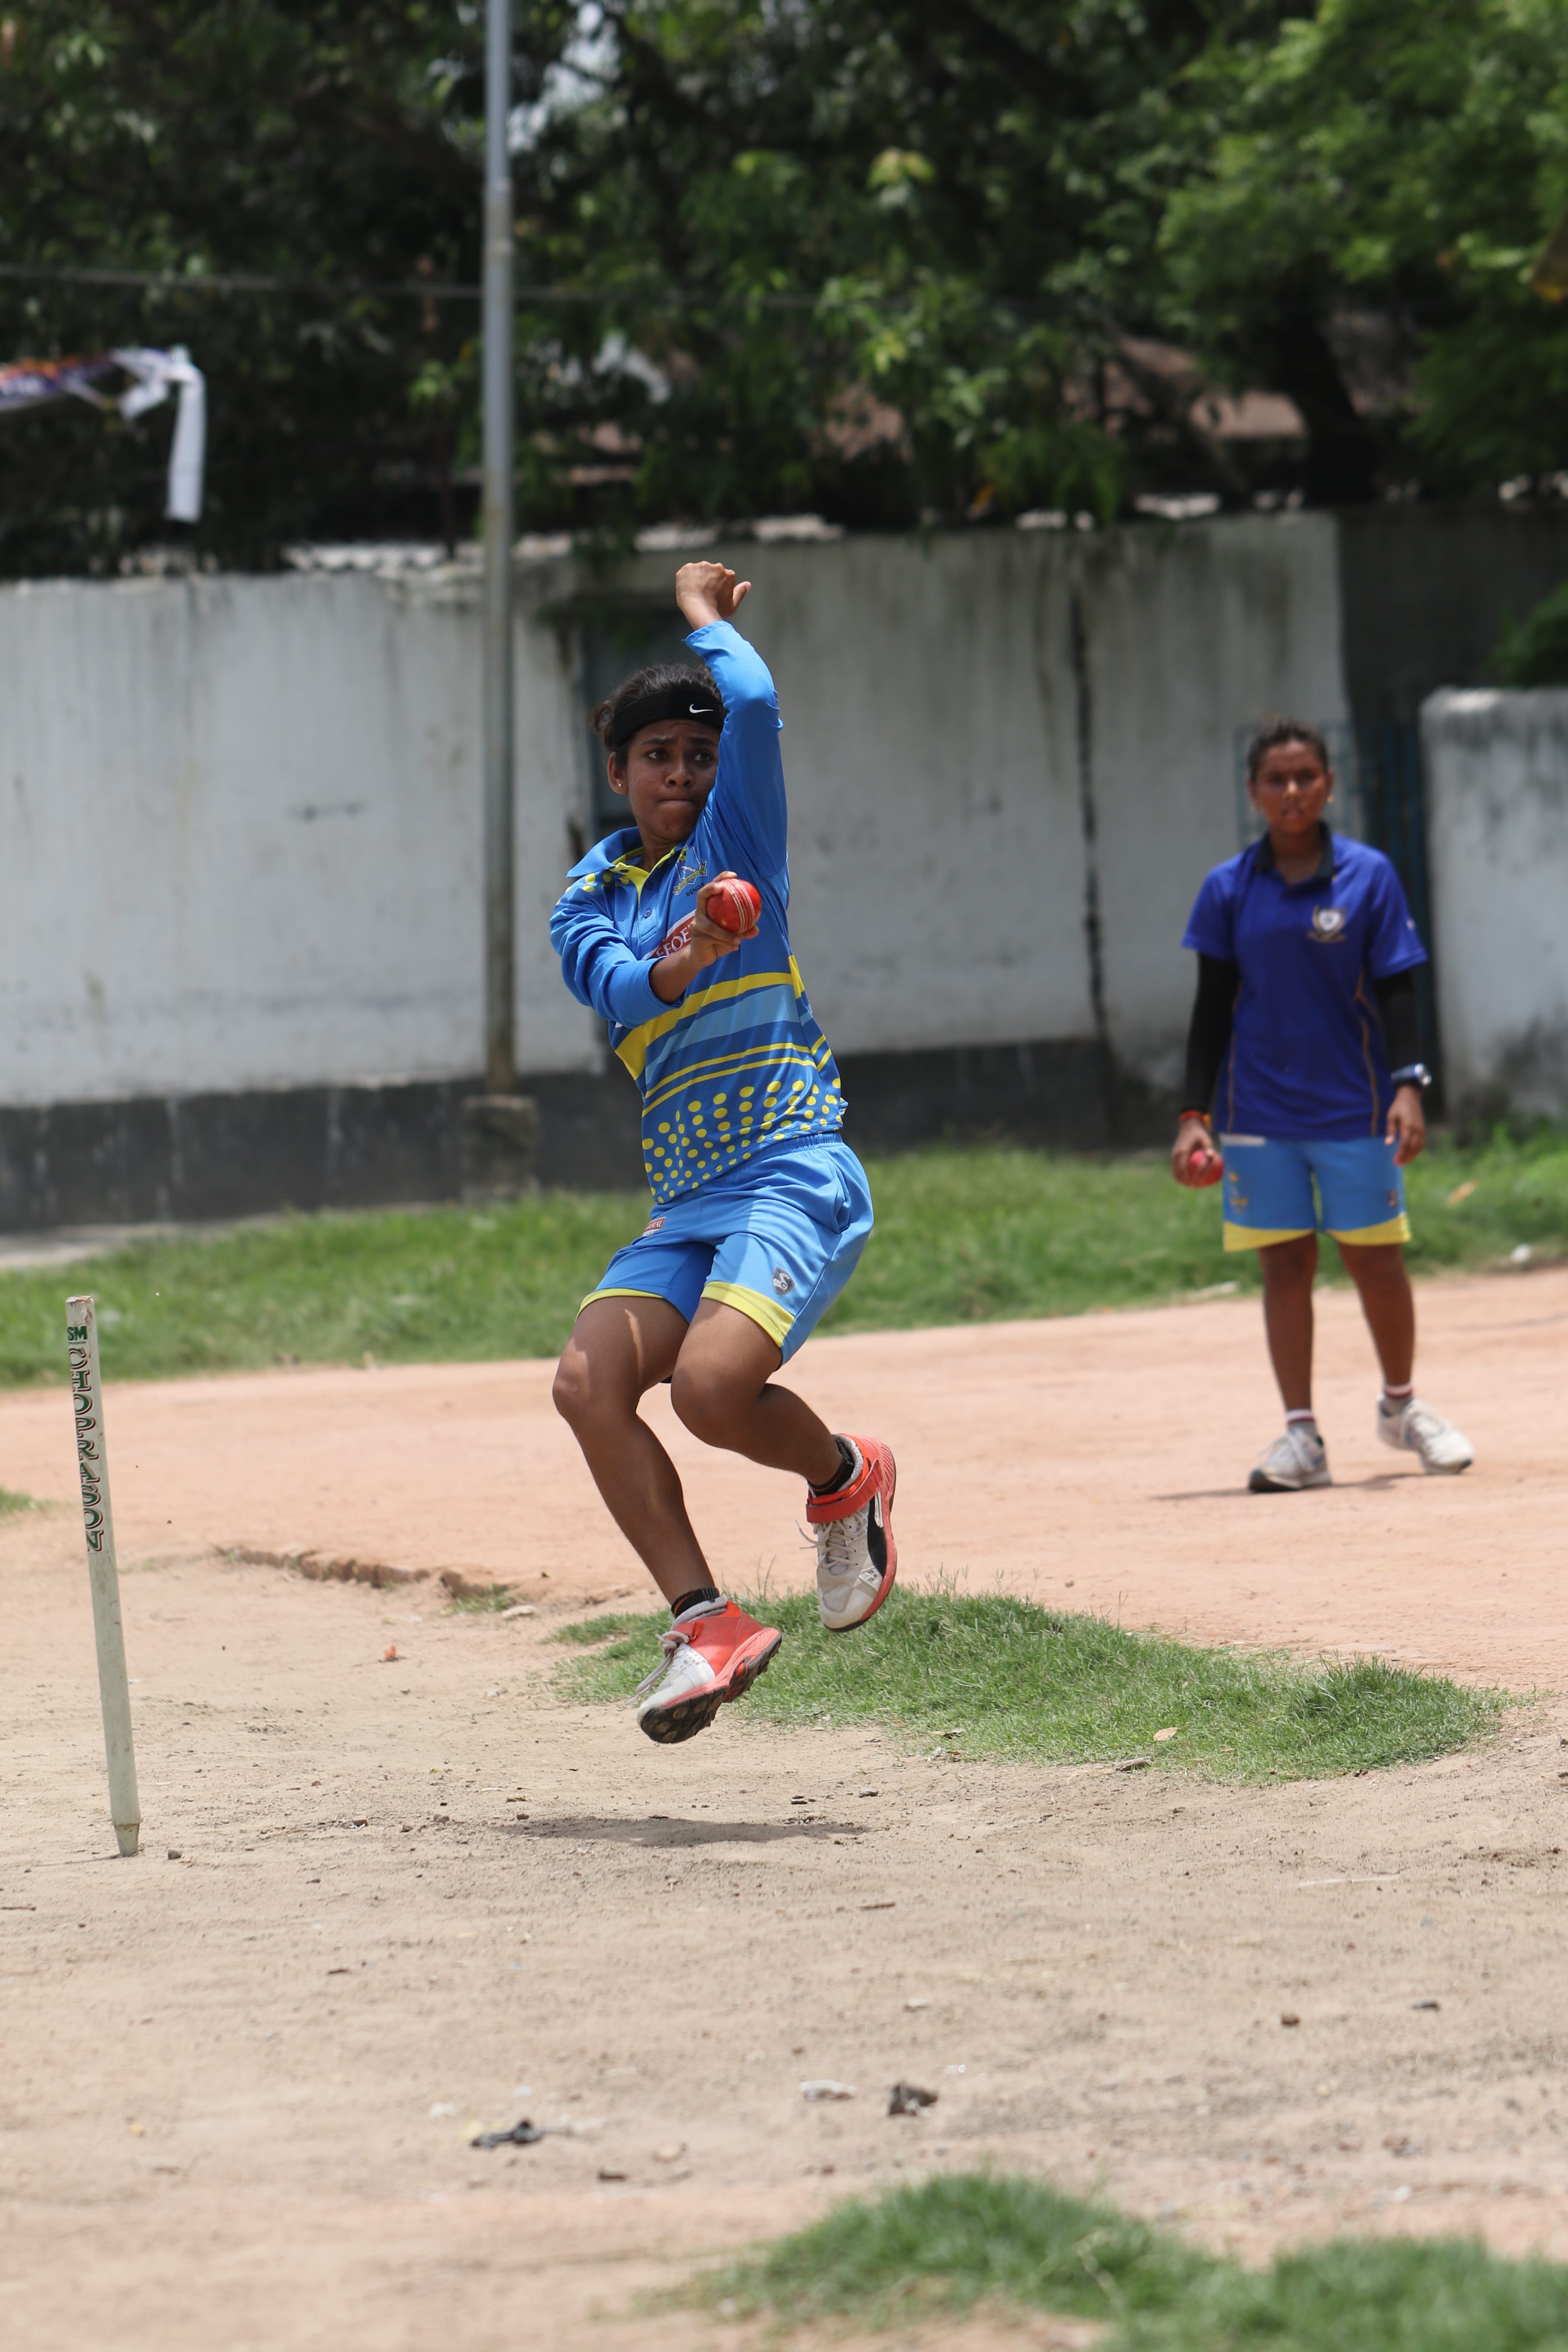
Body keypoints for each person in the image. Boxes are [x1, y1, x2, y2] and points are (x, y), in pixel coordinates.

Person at [549, 560, 898, 1743]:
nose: (684, 774)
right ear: (619, 772)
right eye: (659, 756)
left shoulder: (743, 833)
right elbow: (617, 985)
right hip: (687, 1204)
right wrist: (688, 949)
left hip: (791, 1167)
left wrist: (707, 622)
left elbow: (749, 706)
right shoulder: (590, 893)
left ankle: (845, 1476)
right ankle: (706, 1620)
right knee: (587, 1383)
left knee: (707, 1392)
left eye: (697, 758)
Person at [1171, 719, 1473, 1493]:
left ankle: (1401, 1409)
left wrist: (1411, 1086)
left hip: (1357, 1107)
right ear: (1254, 793)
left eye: (1307, 775)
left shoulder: (1369, 876)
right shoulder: (1228, 888)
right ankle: (1302, 1439)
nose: (1293, 791)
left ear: (1330, 783)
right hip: (1258, 1114)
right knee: (1285, 1264)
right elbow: (1210, 1010)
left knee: (1378, 1262)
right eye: (1277, 779)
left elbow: (1401, 987)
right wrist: (1192, 1116)